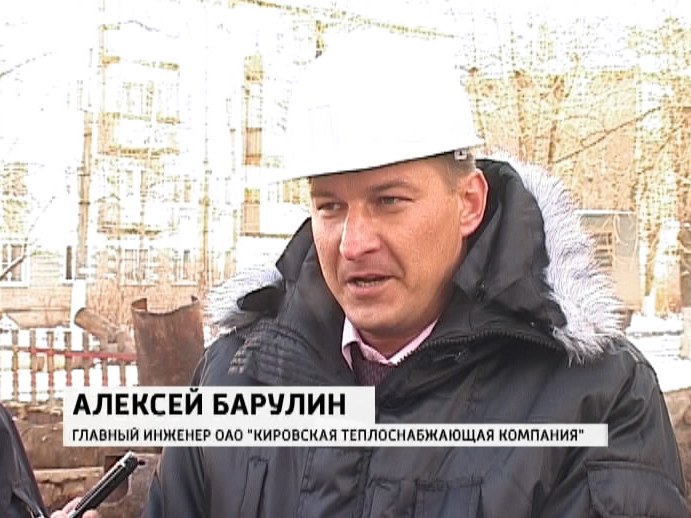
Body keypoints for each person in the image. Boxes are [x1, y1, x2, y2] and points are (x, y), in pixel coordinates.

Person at [142, 31, 688, 517]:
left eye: (389, 201)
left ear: (468, 202)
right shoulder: (236, 376)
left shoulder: (596, 396)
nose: (353, 243)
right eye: (330, 206)